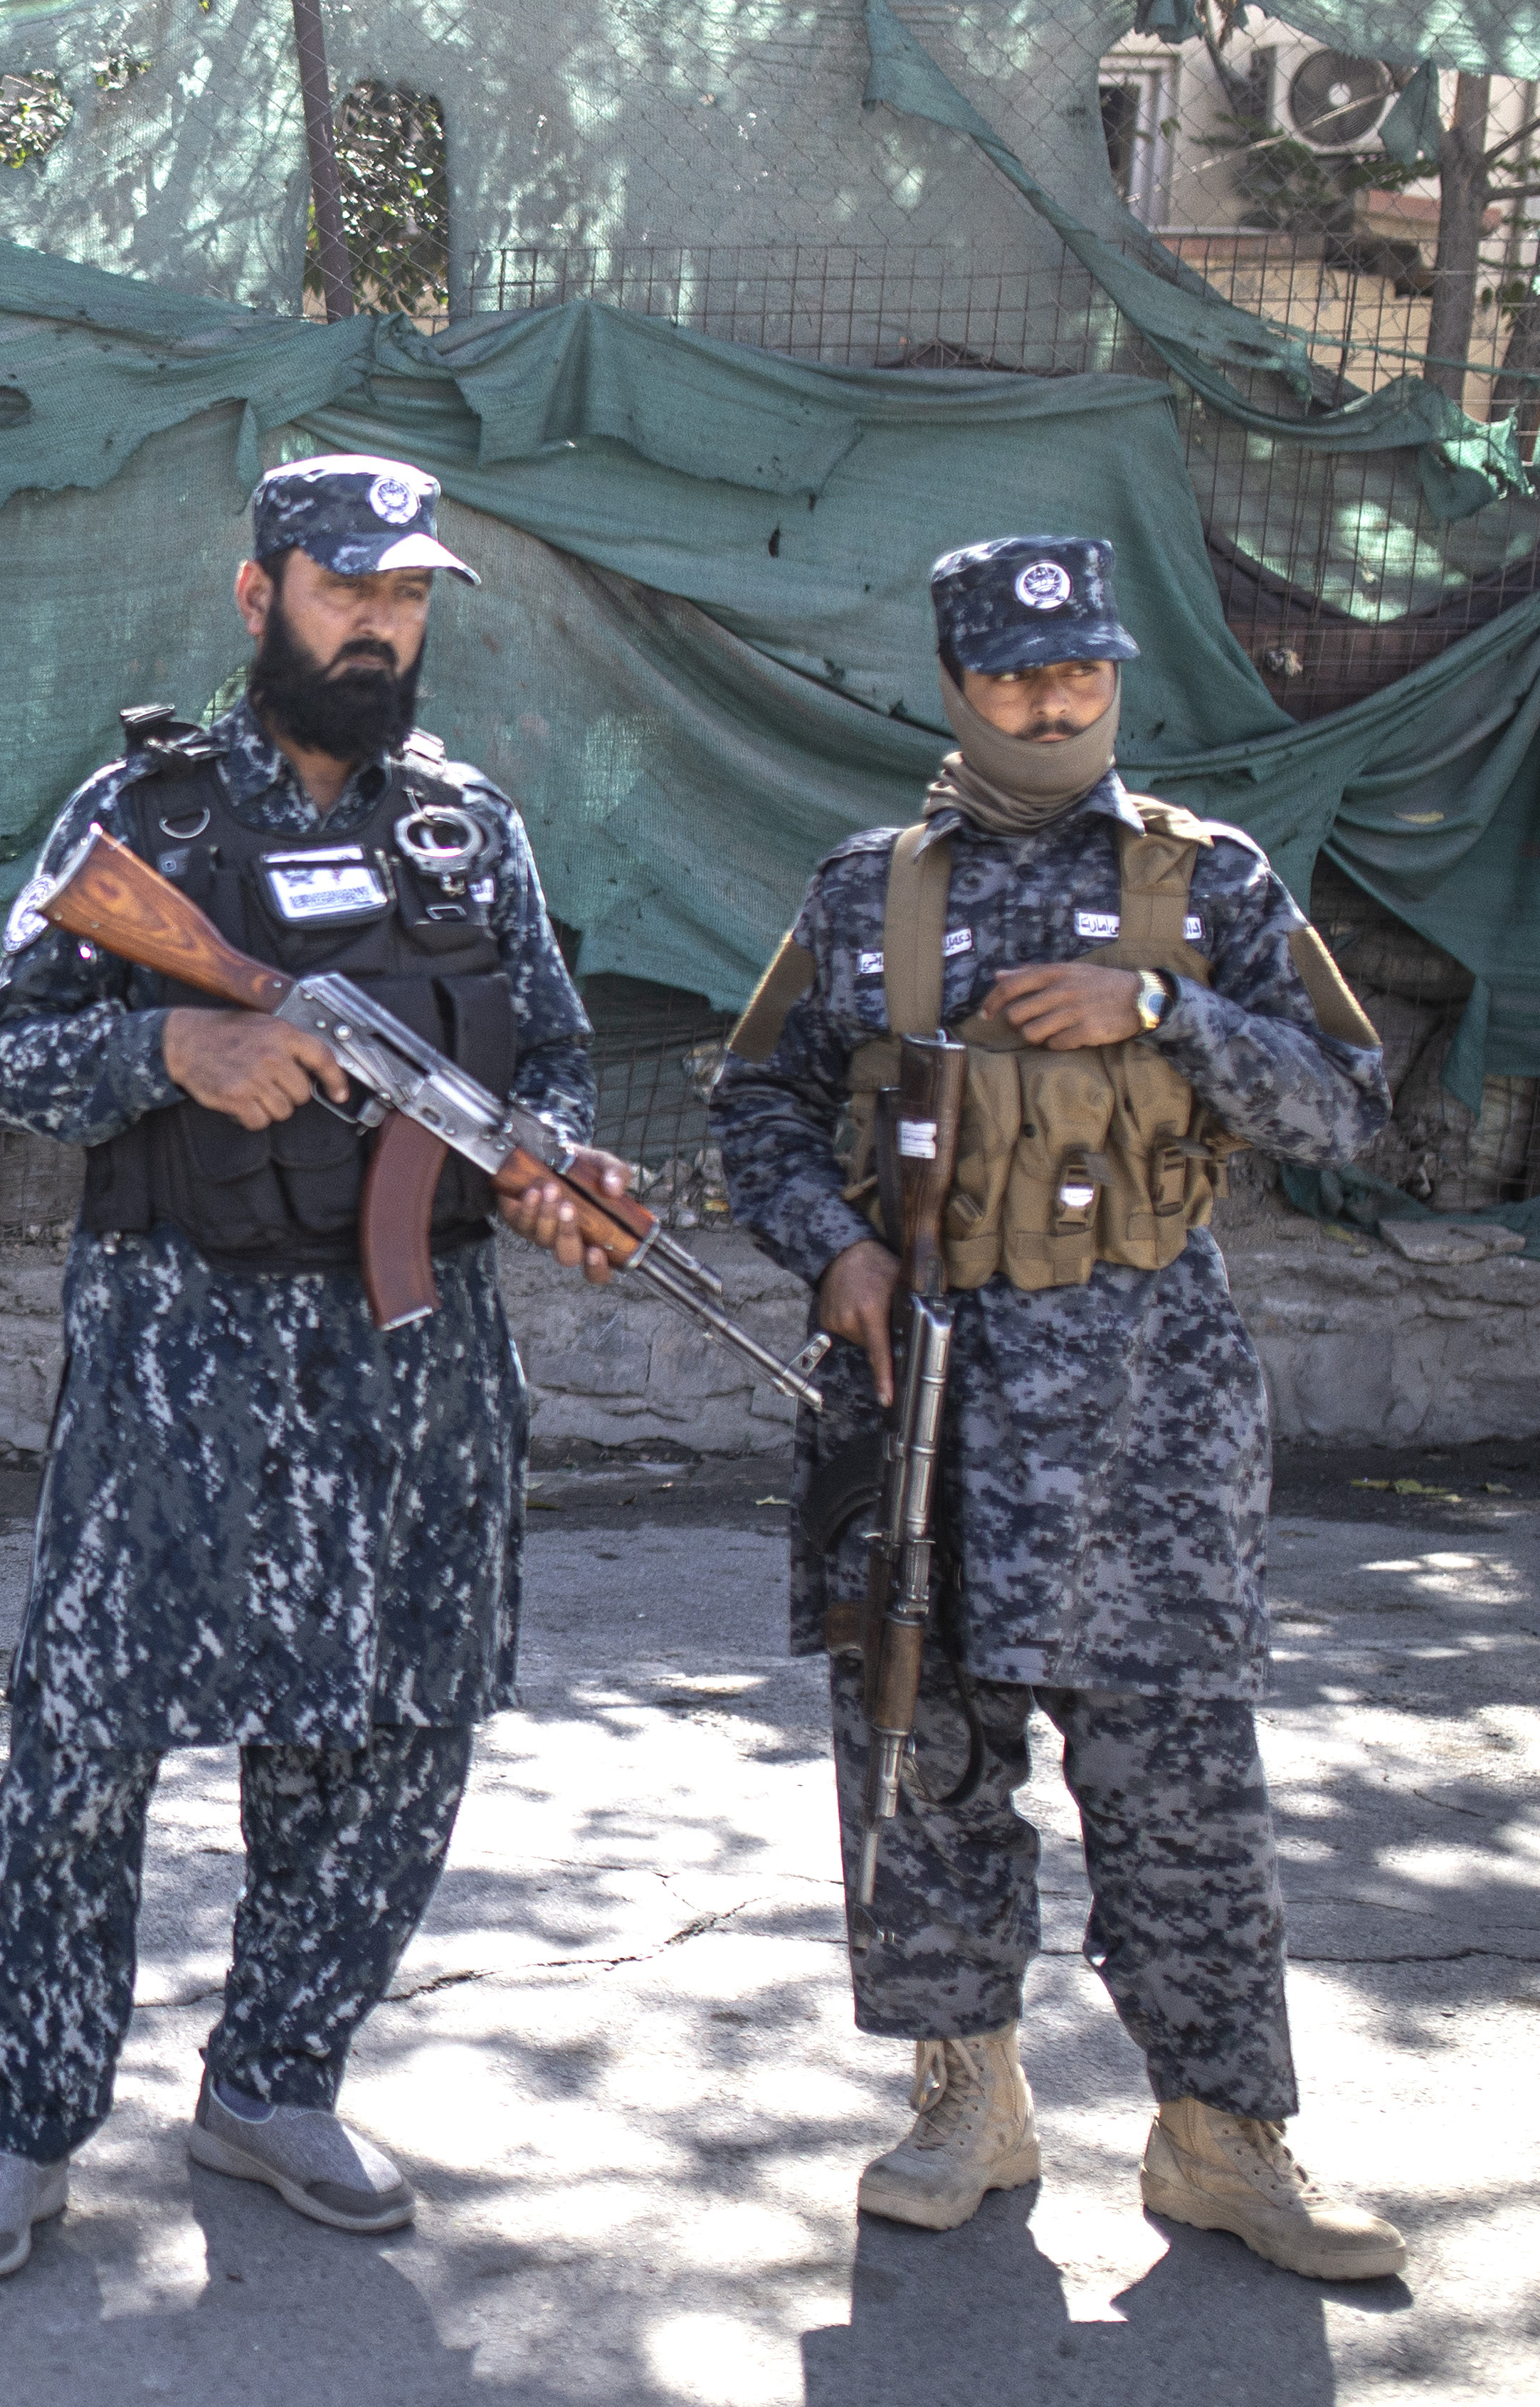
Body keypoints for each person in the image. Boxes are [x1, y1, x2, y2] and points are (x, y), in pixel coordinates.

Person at [0, 456, 620, 2280]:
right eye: (343, 589)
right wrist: (172, 1040)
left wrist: (554, 1160)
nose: (379, 624)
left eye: (405, 596)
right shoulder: (138, 809)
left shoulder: (471, 827)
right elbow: (4, 1061)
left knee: (390, 1730)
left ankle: (276, 2076)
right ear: (259, 599)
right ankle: (23, 2122)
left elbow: (550, 1047)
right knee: (83, 1740)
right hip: (174, 1355)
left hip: (411, 1363)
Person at [710, 534, 1403, 2280]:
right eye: (1017, 676)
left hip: (1144, 1422)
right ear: (954, 683)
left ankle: (1219, 2136)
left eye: (1083, 668)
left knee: (1181, 1786)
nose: (1055, 697)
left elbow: (1346, 1107)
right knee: (920, 1753)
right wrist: (829, 1253)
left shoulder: (1208, 878)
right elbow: (758, 1104)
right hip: (919, 1393)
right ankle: (968, 2099)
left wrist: (1161, 1011)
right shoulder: (867, 887)